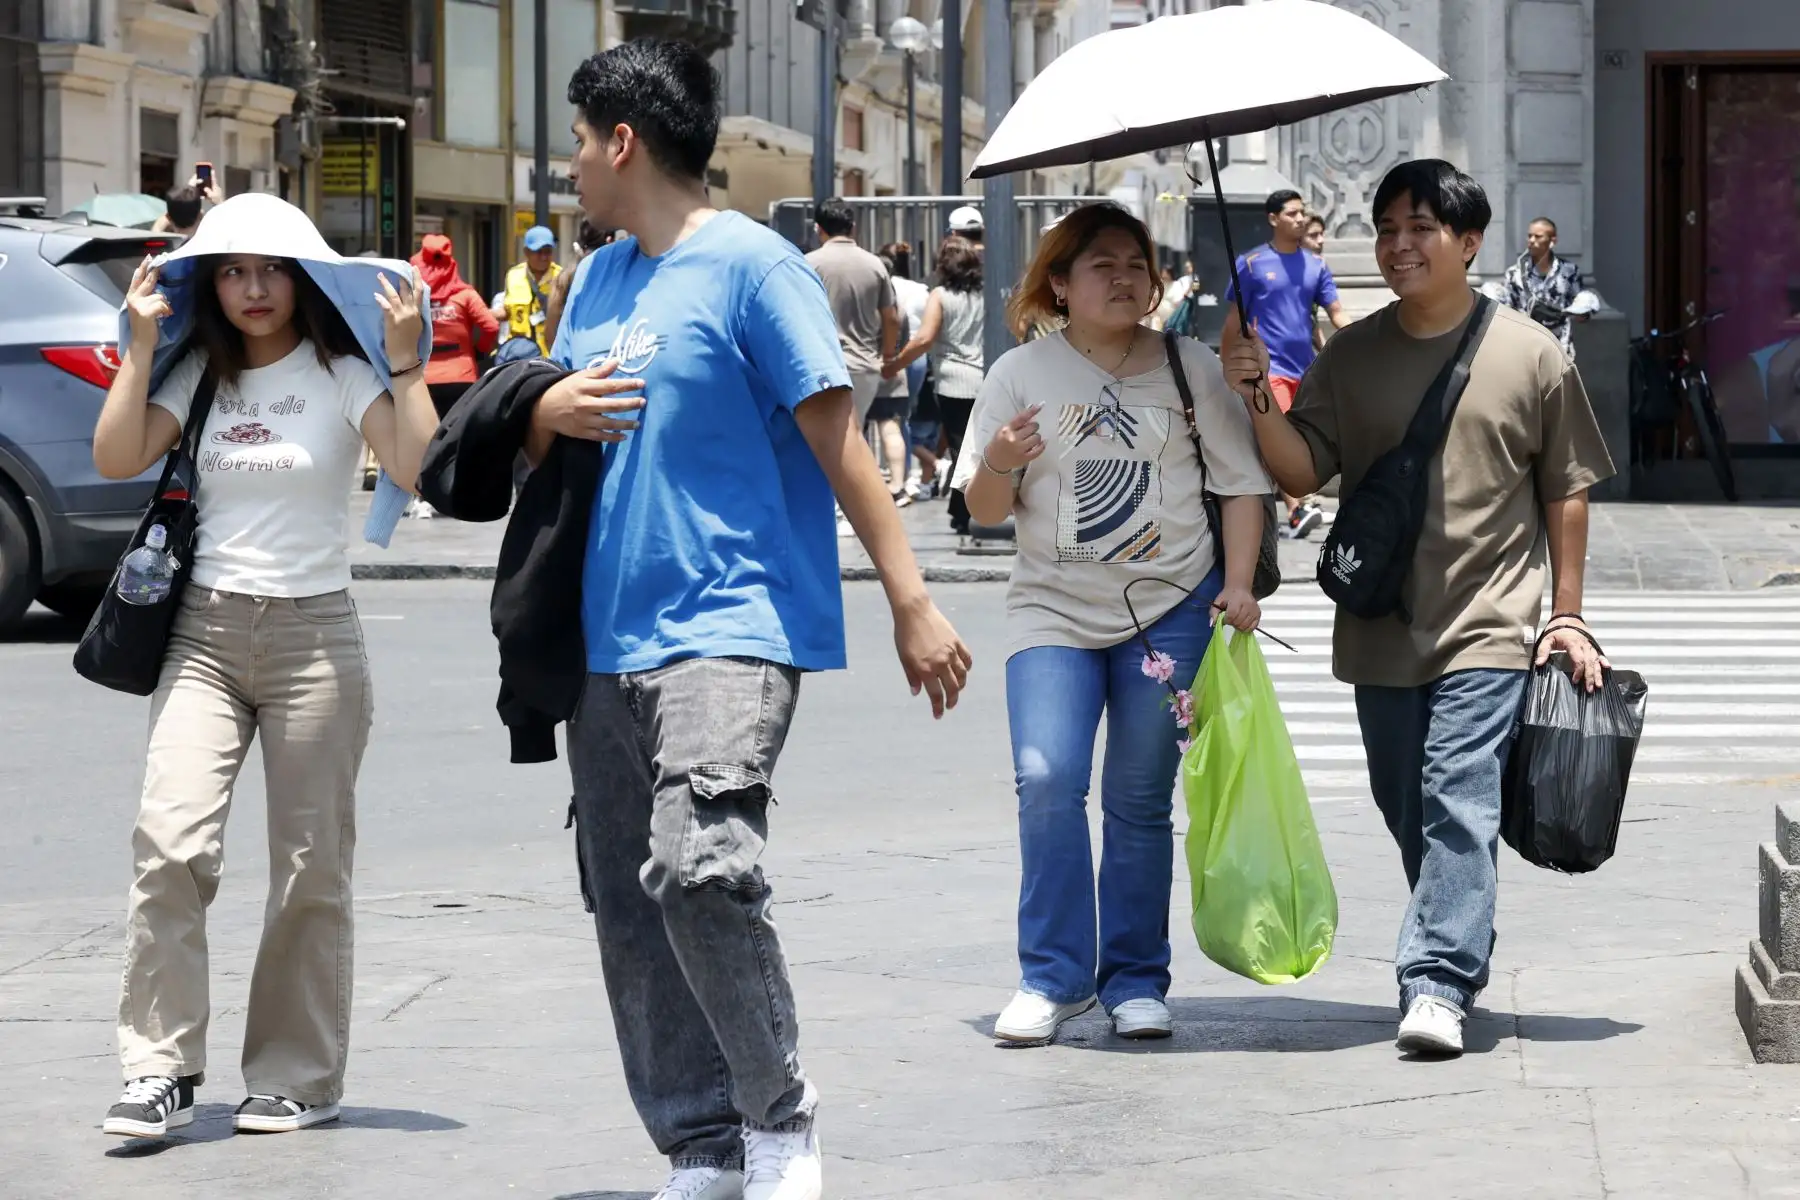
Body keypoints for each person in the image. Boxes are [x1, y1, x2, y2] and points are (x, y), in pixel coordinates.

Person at [544, 41, 970, 1200]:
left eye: (579, 141)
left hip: (732, 620)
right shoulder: (596, 284)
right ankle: (702, 1143)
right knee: (631, 901)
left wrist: (912, 600)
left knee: (701, 867)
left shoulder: (755, 270)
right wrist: (545, 407)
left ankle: (778, 1117)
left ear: (622, 142)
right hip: (604, 633)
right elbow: (554, 442)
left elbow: (840, 440)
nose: (570, 164)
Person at [1222, 159, 1615, 1058]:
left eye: (1420, 229)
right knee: (1409, 802)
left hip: (1491, 621)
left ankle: (1436, 979)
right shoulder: (1352, 354)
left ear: (1468, 243)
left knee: (1457, 793)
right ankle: (1458, 932)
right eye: (1387, 230)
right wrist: (1255, 397)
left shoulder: (1531, 353)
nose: (1399, 246)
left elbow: (1567, 485)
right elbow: (1300, 467)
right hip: (1381, 623)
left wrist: (1566, 612)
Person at [90, 194, 438, 1138]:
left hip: (314, 639)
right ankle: (159, 1068)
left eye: (273, 269)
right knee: (169, 843)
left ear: (304, 278)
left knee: (309, 870)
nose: (253, 288)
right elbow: (117, 454)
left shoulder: (342, 372)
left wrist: (406, 362)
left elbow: (416, 464)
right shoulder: (195, 372)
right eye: (234, 271)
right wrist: (138, 348)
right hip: (201, 636)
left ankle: (297, 1078)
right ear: (210, 284)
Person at [958, 202, 1270, 1047]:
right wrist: (1000, 461)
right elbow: (983, 510)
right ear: (1060, 283)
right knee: (1046, 778)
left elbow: (1241, 484)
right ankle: (1052, 978)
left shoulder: (1190, 365)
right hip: (1051, 612)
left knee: (1139, 798)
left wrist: (1240, 584)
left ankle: (1134, 978)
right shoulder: (1019, 373)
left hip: (1170, 611)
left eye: (1137, 263)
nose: (1125, 277)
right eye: (1103, 264)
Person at [1219, 188, 1350, 539]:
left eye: (1302, 212)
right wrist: (1225, 372)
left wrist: (1369, 341)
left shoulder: (1317, 266)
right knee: (1282, 436)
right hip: (1268, 370)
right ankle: (1296, 510)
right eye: (1292, 213)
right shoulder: (1251, 264)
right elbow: (1232, 322)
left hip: (1307, 371)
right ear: (1273, 219)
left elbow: (1337, 313)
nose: (1300, 218)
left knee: (1299, 440)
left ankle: (1297, 504)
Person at [884, 235, 984, 535]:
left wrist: (895, 364)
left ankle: (965, 512)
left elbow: (925, 338)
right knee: (975, 447)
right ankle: (961, 508)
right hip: (985, 377)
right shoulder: (985, 294)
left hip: (953, 382)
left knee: (960, 447)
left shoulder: (940, 295)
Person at [805, 198, 899, 443]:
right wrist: (888, 357)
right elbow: (891, 318)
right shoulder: (875, 265)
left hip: (822, 365)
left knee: (824, 441)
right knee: (855, 435)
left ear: (818, 229)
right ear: (853, 227)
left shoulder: (808, 264)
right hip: (865, 365)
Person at [874, 243, 928, 504]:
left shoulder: (867, 304)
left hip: (866, 364)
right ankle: (900, 482)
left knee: (857, 429)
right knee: (895, 422)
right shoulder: (917, 293)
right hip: (906, 360)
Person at [1502, 216, 1585, 360]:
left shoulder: (1569, 271)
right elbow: (1506, 311)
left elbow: (1580, 309)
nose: (1531, 240)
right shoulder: (1514, 273)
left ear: (1552, 241)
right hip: (1525, 349)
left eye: (1538, 236)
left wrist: (1582, 312)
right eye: (1529, 236)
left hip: (1560, 348)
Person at [545, 218, 614, 350]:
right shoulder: (619, 276)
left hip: (572, 354)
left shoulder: (564, 278)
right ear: (610, 240)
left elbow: (551, 331)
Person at [499, 224, 562, 356]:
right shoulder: (513, 275)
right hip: (520, 354)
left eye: (548, 252)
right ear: (526, 252)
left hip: (551, 354)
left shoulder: (561, 277)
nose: (544, 257)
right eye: (539, 252)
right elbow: (507, 311)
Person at [154, 174, 224, 237]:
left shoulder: (163, 246)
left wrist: (187, 189)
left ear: (168, 217)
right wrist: (220, 202)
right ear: (201, 214)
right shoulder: (214, 241)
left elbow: (157, 230)